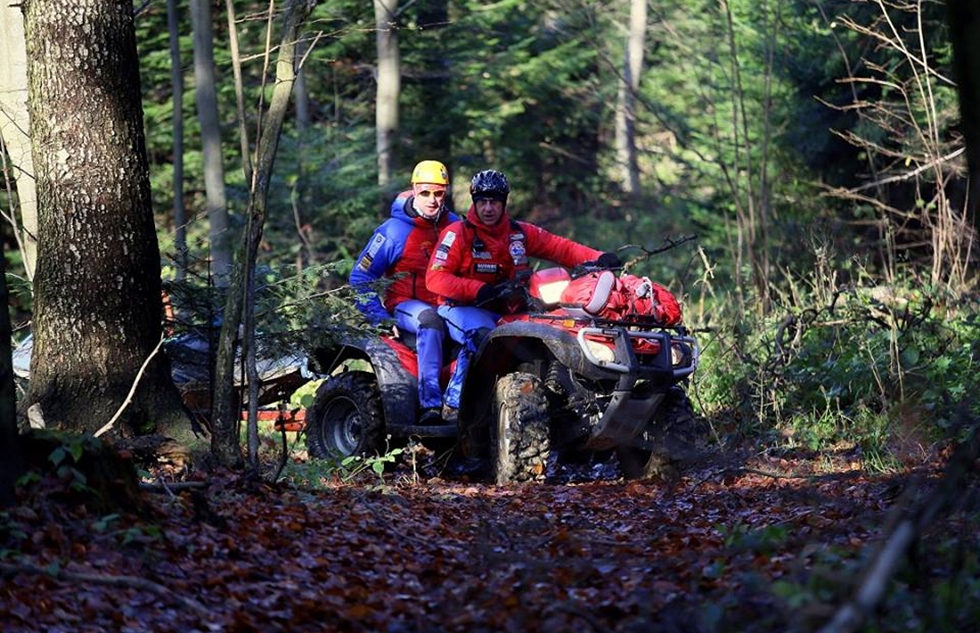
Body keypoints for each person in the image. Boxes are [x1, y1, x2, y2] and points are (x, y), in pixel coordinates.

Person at [426, 169, 622, 423]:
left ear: (504, 202)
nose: (488, 208)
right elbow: (435, 278)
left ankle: (559, 404)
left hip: (509, 309)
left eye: (494, 202)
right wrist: (477, 289)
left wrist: (598, 257)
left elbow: (560, 247)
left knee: (553, 332)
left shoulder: (518, 233)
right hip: (460, 307)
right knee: (483, 336)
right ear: (474, 202)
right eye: (482, 202)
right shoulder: (457, 234)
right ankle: (454, 405)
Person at [350, 160, 460, 425]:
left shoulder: (457, 226)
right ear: (413, 190)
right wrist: (380, 319)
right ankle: (430, 404)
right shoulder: (393, 231)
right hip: (406, 306)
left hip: (449, 306)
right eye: (425, 193)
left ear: (445, 193)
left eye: (438, 193)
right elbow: (360, 277)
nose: (432, 200)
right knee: (429, 320)